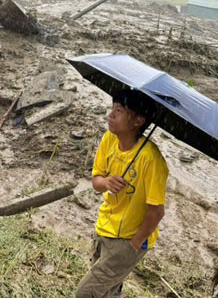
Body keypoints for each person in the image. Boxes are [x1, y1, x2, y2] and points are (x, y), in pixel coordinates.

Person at [76, 89, 169, 298]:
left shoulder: (151, 160)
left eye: (119, 110)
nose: (111, 115)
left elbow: (156, 211)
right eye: (112, 108)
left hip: (127, 239)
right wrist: (107, 182)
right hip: (104, 226)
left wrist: (135, 242)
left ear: (138, 121)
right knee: (107, 289)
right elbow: (96, 181)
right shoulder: (109, 140)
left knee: (86, 292)